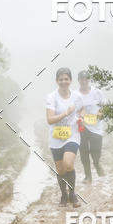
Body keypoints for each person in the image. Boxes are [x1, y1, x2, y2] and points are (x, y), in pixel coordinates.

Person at [46, 67, 82, 206]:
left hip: (72, 135)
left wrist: (82, 117)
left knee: (68, 164)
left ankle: (72, 194)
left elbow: (81, 108)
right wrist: (66, 113)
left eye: (66, 79)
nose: (63, 81)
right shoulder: (51, 97)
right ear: (57, 81)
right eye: (61, 79)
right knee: (60, 169)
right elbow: (50, 119)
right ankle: (63, 196)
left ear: (70, 80)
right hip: (56, 137)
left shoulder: (76, 96)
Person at [76, 69, 106, 182]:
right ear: (78, 80)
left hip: (96, 126)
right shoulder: (76, 94)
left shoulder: (97, 92)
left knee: (96, 149)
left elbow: (104, 105)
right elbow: (74, 109)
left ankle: (97, 164)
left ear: (89, 80)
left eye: (86, 79)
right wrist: (79, 117)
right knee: (83, 151)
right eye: (81, 79)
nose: (84, 81)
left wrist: (100, 113)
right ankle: (88, 175)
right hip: (82, 126)